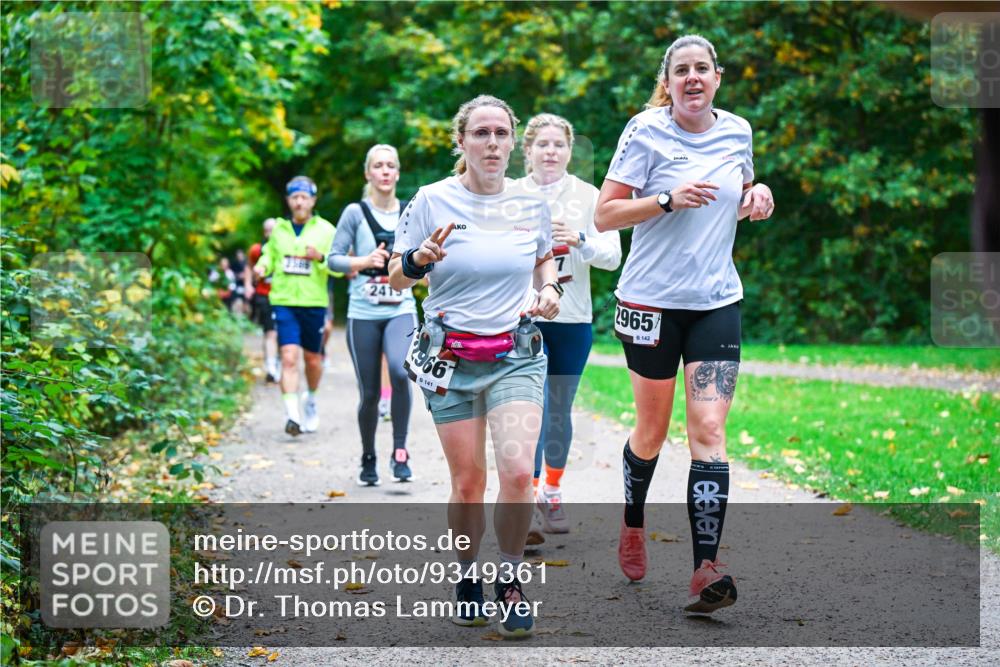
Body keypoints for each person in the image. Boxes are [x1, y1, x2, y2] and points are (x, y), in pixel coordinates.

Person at [594, 35, 774, 614]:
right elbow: (605, 214)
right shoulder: (644, 131)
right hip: (648, 303)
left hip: (716, 300)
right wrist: (667, 199)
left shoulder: (738, 130)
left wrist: (758, 194)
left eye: (702, 69)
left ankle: (705, 568)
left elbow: (739, 192)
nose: (692, 78)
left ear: (717, 77)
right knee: (651, 431)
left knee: (708, 431)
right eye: (681, 71)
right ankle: (632, 521)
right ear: (667, 82)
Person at [388, 95, 560, 637]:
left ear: (514, 142)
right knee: (468, 483)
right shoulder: (431, 200)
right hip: (450, 356)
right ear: (460, 141)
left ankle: (509, 582)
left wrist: (550, 287)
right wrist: (418, 261)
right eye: (480, 133)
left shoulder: (530, 203)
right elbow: (397, 276)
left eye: (501, 133)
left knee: (515, 474)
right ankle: (467, 576)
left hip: (516, 354)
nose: (491, 143)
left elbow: (542, 257)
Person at [515, 114, 622, 534]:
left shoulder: (588, 196)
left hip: (572, 318)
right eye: (542, 144)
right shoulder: (509, 195)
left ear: (569, 150)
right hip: (522, 318)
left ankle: (552, 491)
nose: (551, 152)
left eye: (558, 144)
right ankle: (528, 493)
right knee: (528, 408)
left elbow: (613, 257)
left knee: (557, 406)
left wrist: (579, 239)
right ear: (527, 151)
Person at [327, 144, 417, 486]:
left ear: (397, 173)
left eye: (390, 165)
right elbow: (333, 259)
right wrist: (363, 262)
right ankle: (368, 455)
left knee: (399, 371)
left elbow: (427, 257)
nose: (384, 171)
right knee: (367, 392)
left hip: (401, 310)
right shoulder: (355, 212)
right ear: (368, 173)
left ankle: (400, 451)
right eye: (378, 166)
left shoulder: (410, 211)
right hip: (363, 312)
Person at [254, 176, 340, 436]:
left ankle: (310, 399)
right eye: (294, 197)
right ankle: (292, 415)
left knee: (313, 361)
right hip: (284, 302)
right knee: (289, 357)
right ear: (288, 201)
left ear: (313, 200)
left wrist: (320, 258)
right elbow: (269, 255)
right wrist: (262, 266)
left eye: (304, 197)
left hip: (313, 303)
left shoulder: (326, 230)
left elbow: (338, 266)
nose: (299, 202)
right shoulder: (279, 229)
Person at [246, 218, 280, 383]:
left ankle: (278, 362)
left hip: (283, 296)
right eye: (267, 230)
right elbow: (249, 267)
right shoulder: (256, 250)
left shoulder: (284, 248)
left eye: (273, 230)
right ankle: (271, 366)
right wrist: (248, 285)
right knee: (270, 332)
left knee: (281, 333)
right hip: (264, 295)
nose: (270, 234)